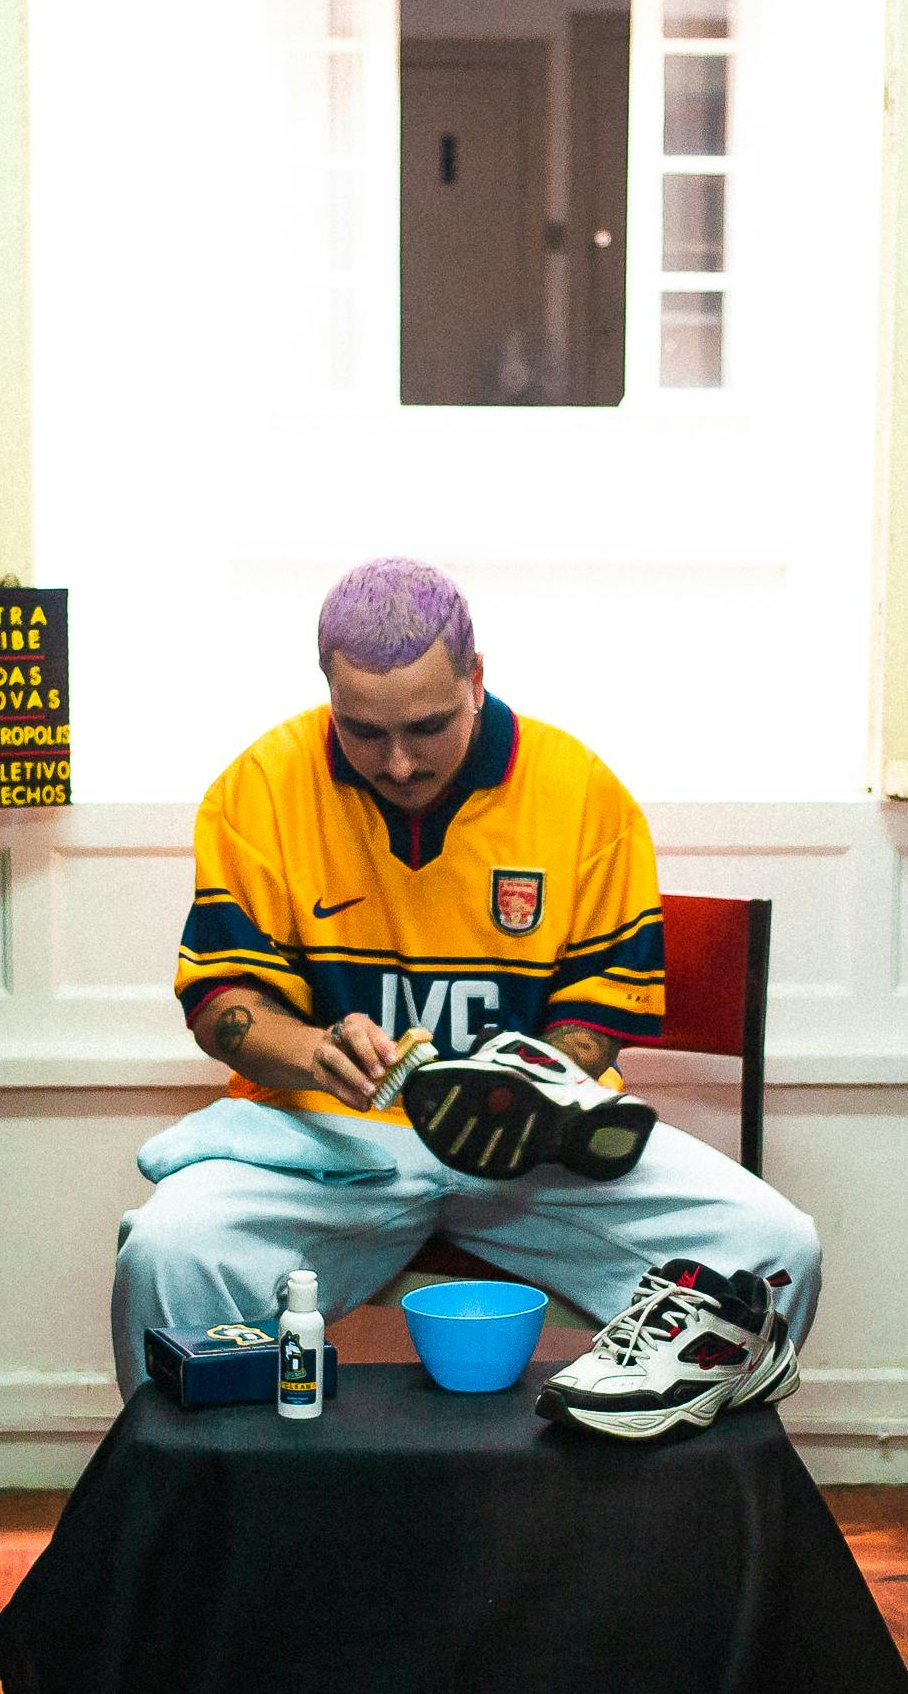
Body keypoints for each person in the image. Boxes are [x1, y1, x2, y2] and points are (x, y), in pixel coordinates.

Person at [108, 558, 821, 1395]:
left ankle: (659, 1501)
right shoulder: (257, 788)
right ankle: (210, 1513)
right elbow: (223, 1003)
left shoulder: (582, 792)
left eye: (427, 727)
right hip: (325, 1140)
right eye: (364, 732)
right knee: (166, 1255)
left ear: (476, 679)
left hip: (535, 1148)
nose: (399, 764)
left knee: (776, 1249)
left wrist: (516, 1087)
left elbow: (596, 1015)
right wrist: (314, 1053)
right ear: (328, 694)